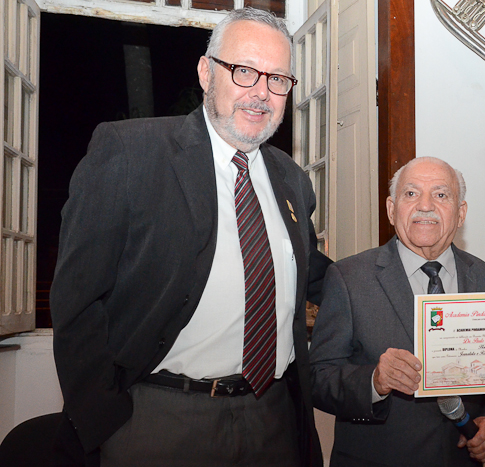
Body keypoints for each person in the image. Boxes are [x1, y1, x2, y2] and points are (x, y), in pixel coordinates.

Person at [50, 7, 331, 467]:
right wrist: (105, 419)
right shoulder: (131, 153)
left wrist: (392, 284)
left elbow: (313, 276)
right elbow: (77, 299)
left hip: (274, 420)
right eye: (244, 71)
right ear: (206, 72)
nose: (261, 92)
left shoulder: (293, 180)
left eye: (278, 79)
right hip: (161, 421)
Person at [309, 157, 485, 467]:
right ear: (392, 209)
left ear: (460, 213)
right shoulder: (349, 278)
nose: (426, 206)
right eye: (411, 193)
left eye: (441, 194)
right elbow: (317, 377)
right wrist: (374, 380)